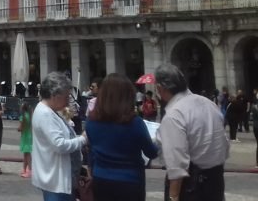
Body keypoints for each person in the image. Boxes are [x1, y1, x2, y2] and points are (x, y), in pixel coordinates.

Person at [155, 63, 229, 201]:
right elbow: (224, 144)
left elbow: (177, 166)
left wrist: (173, 196)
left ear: (160, 88)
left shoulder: (174, 115)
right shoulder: (208, 104)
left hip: (191, 186)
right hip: (215, 179)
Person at [84, 73, 158, 201]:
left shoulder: (91, 121)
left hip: (101, 178)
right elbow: (151, 152)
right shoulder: (135, 123)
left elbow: (91, 150)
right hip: (130, 181)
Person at [31, 72, 88, 201]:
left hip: (58, 178)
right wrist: (82, 140)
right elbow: (60, 145)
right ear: (55, 95)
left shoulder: (50, 111)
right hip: (56, 180)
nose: (68, 100)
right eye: (66, 96)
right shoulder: (46, 114)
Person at [19, 99, 34, 178]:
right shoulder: (30, 115)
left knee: (27, 154)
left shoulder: (23, 116)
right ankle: (25, 169)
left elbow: (20, 128)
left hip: (24, 136)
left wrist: (18, 128)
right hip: (29, 135)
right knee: (26, 153)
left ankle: (29, 170)